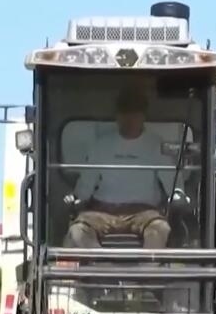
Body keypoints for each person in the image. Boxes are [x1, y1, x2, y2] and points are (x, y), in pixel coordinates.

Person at [63, 88, 189, 249]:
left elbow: (173, 184)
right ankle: (101, 262)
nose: (130, 119)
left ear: (143, 116)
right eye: (125, 113)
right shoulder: (100, 145)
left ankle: (148, 265)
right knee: (78, 231)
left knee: (160, 229)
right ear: (117, 116)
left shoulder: (156, 145)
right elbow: (85, 185)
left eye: (135, 113)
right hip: (102, 211)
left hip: (144, 212)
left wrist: (178, 196)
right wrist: (76, 198)